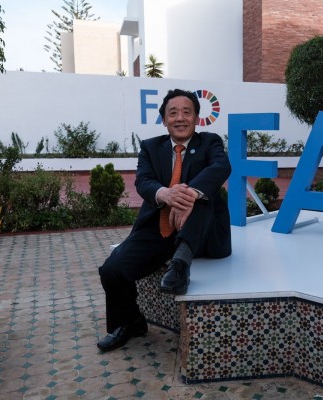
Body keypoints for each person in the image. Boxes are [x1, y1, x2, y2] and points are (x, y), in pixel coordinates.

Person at [97, 89, 232, 352]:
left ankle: (181, 264)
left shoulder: (210, 142)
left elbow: (221, 167)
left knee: (204, 195)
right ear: (164, 120)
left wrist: (188, 194)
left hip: (202, 233)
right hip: (160, 228)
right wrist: (166, 194)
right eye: (173, 113)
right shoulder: (150, 147)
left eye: (187, 112)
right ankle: (130, 322)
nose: (180, 118)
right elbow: (143, 181)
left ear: (196, 118)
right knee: (111, 270)